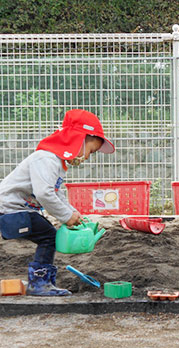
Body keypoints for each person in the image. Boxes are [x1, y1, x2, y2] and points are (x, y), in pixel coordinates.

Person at [0, 109, 115, 295]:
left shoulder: (56, 162)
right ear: (78, 139)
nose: (86, 157)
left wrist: (72, 212)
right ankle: (39, 284)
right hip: (10, 209)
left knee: (47, 235)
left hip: (20, 209)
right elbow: (44, 194)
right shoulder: (45, 158)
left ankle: (42, 282)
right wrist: (66, 216)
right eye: (90, 151)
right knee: (48, 236)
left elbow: (55, 193)